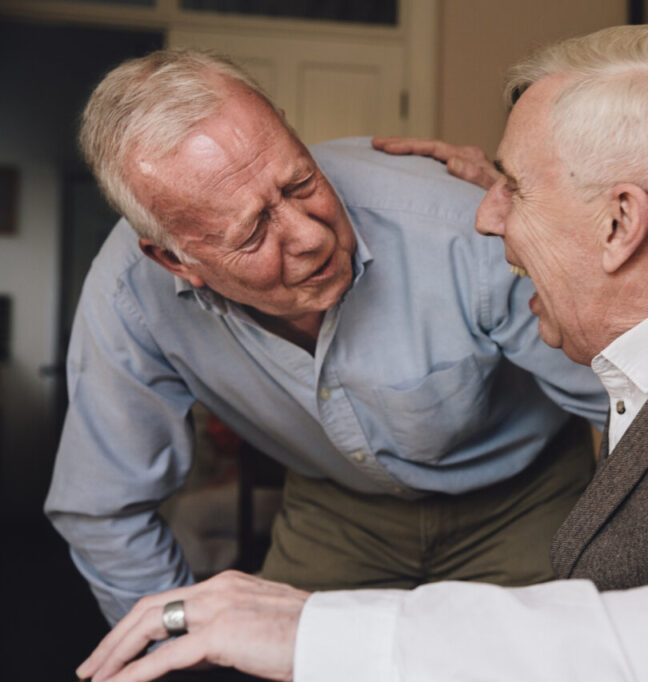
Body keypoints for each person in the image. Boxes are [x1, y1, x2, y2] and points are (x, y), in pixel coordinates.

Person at [77, 25, 648, 682]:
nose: (481, 217)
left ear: (619, 222)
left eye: (509, 187)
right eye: (256, 228)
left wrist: (317, 631)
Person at [45, 48, 609, 628]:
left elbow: (633, 405)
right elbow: (104, 508)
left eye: (300, 182)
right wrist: (176, 650)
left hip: (526, 495)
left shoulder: (459, 230)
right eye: (254, 231)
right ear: (173, 259)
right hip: (336, 510)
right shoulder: (130, 297)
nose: (311, 237)